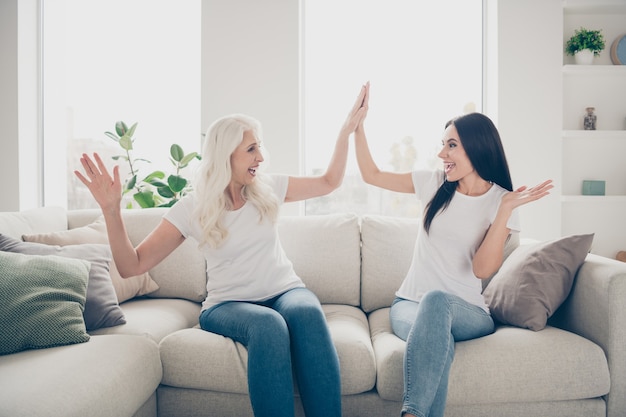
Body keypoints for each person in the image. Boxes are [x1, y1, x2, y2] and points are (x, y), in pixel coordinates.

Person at [74, 84, 369, 417]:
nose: (261, 157)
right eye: (252, 149)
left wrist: (346, 130)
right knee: (268, 327)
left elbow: (329, 181)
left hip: (285, 290)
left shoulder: (268, 188)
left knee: (307, 312)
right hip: (226, 305)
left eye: (260, 147)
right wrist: (111, 210)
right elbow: (133, 265)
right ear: (227, 153)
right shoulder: (193, 208)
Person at [353, 83, 553, 417]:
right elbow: (371, 175)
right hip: (409, 306)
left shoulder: (502, 201)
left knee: (438, 301)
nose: (441, 154)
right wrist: (357, 126)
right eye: (442, 145)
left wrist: (503, 211)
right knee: (437, 342)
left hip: (469, 313)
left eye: (451, 146)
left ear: (476, 149)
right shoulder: (432, 184)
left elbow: (482, 270)